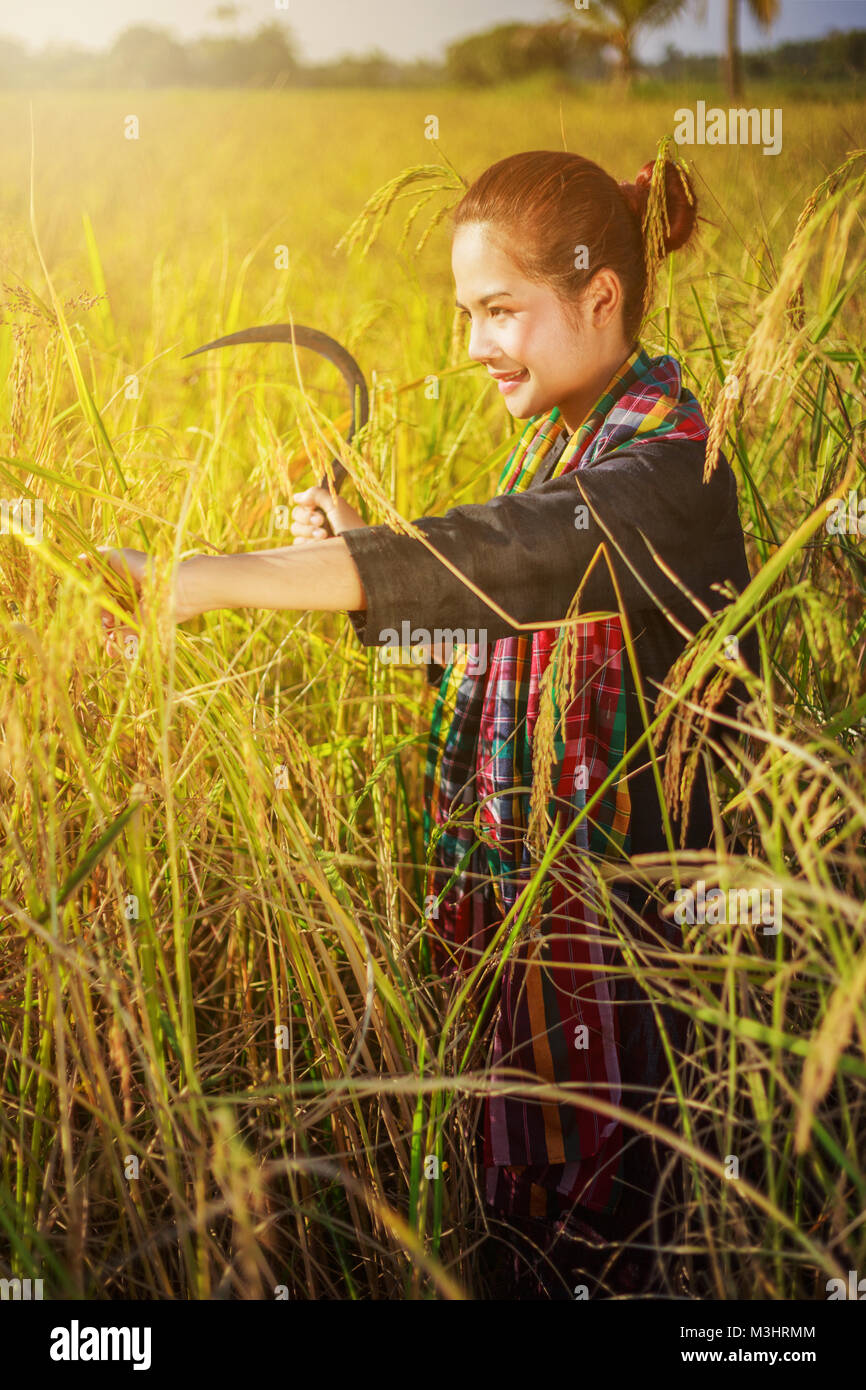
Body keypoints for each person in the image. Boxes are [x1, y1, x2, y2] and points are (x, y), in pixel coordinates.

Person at [94, 149, 757, 1299]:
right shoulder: (558, 440)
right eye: (466, 314)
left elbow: (504, 555)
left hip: (645, 974)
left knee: (624, 1243)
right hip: (530, 939)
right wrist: (345, 551)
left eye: (499, 312)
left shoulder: (672, 470)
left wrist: (187, 580)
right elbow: (476, 622)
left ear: (598, 296)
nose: (473, 348)